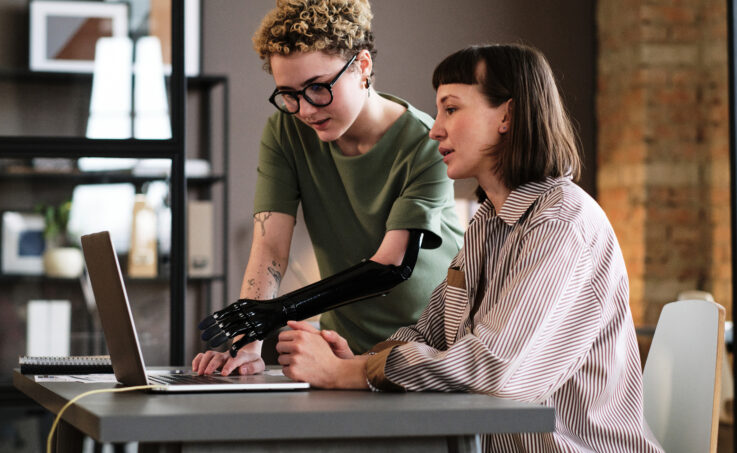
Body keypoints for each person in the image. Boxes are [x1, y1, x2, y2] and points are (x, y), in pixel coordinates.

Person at [274, 44, 664, 452]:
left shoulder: (562, 224)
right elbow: (432, 334)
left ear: (507, 116)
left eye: (452, 109)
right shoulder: (487, 222)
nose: (435, 129)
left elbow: (492, 367)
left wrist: (349, 375)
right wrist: (356, 360)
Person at [192, 0, 463, 376]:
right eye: (288, 93)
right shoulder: (285, 133)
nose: (304, 110)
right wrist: (247, 345)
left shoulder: (427, 142)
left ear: (362, 66)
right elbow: (269, 248)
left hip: (425, 350)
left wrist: (279, 311)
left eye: (318, 88)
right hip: (341, 348)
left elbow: (392, 265)